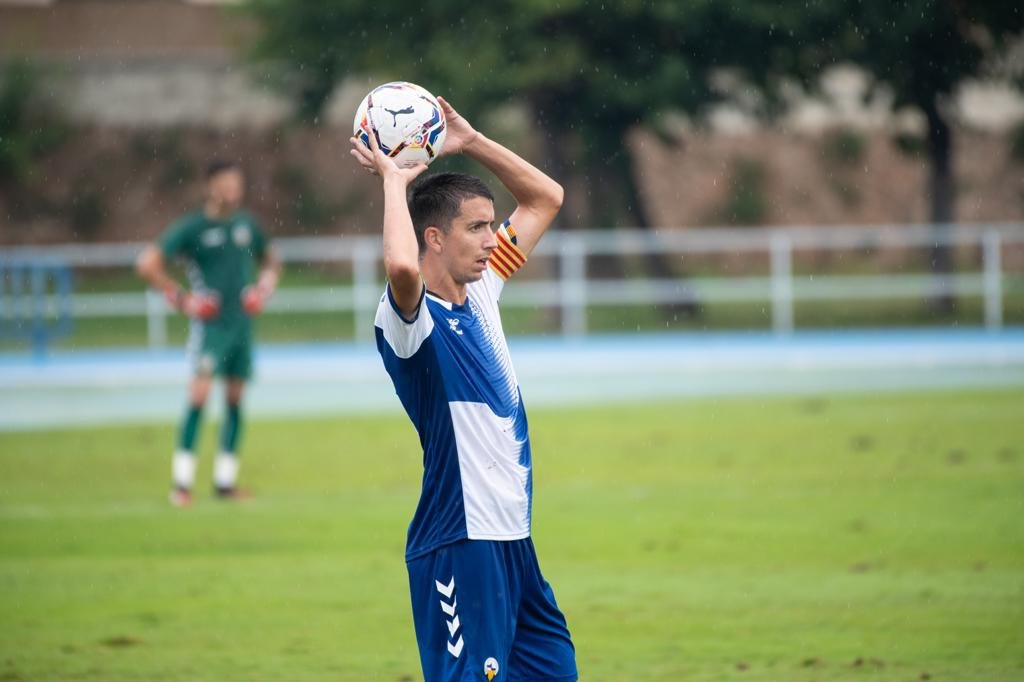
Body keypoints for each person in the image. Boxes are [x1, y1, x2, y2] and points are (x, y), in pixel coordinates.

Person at [351, 98, 577, 682]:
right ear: (434, 237)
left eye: (489, 226)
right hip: (457, 541)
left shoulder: (482, 292)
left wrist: (471, 140)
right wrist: (394, 183)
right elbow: (402, 269)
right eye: (475, 227)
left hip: (513, 543)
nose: (490, 239)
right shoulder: (409, 321)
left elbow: (545, 198)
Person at [136, 160, 281, 507]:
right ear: (210, 187)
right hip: (211, 327)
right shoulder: (193, 229)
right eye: (226, 183)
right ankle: (182, 484)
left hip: (242, 326)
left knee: (234, 399)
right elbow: (147, 264)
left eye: (237, 183)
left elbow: (271, 260)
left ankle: (225, 482)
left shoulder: (248, 224)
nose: (233, 189)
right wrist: (184, 300)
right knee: (199, 397)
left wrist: (263, 287)